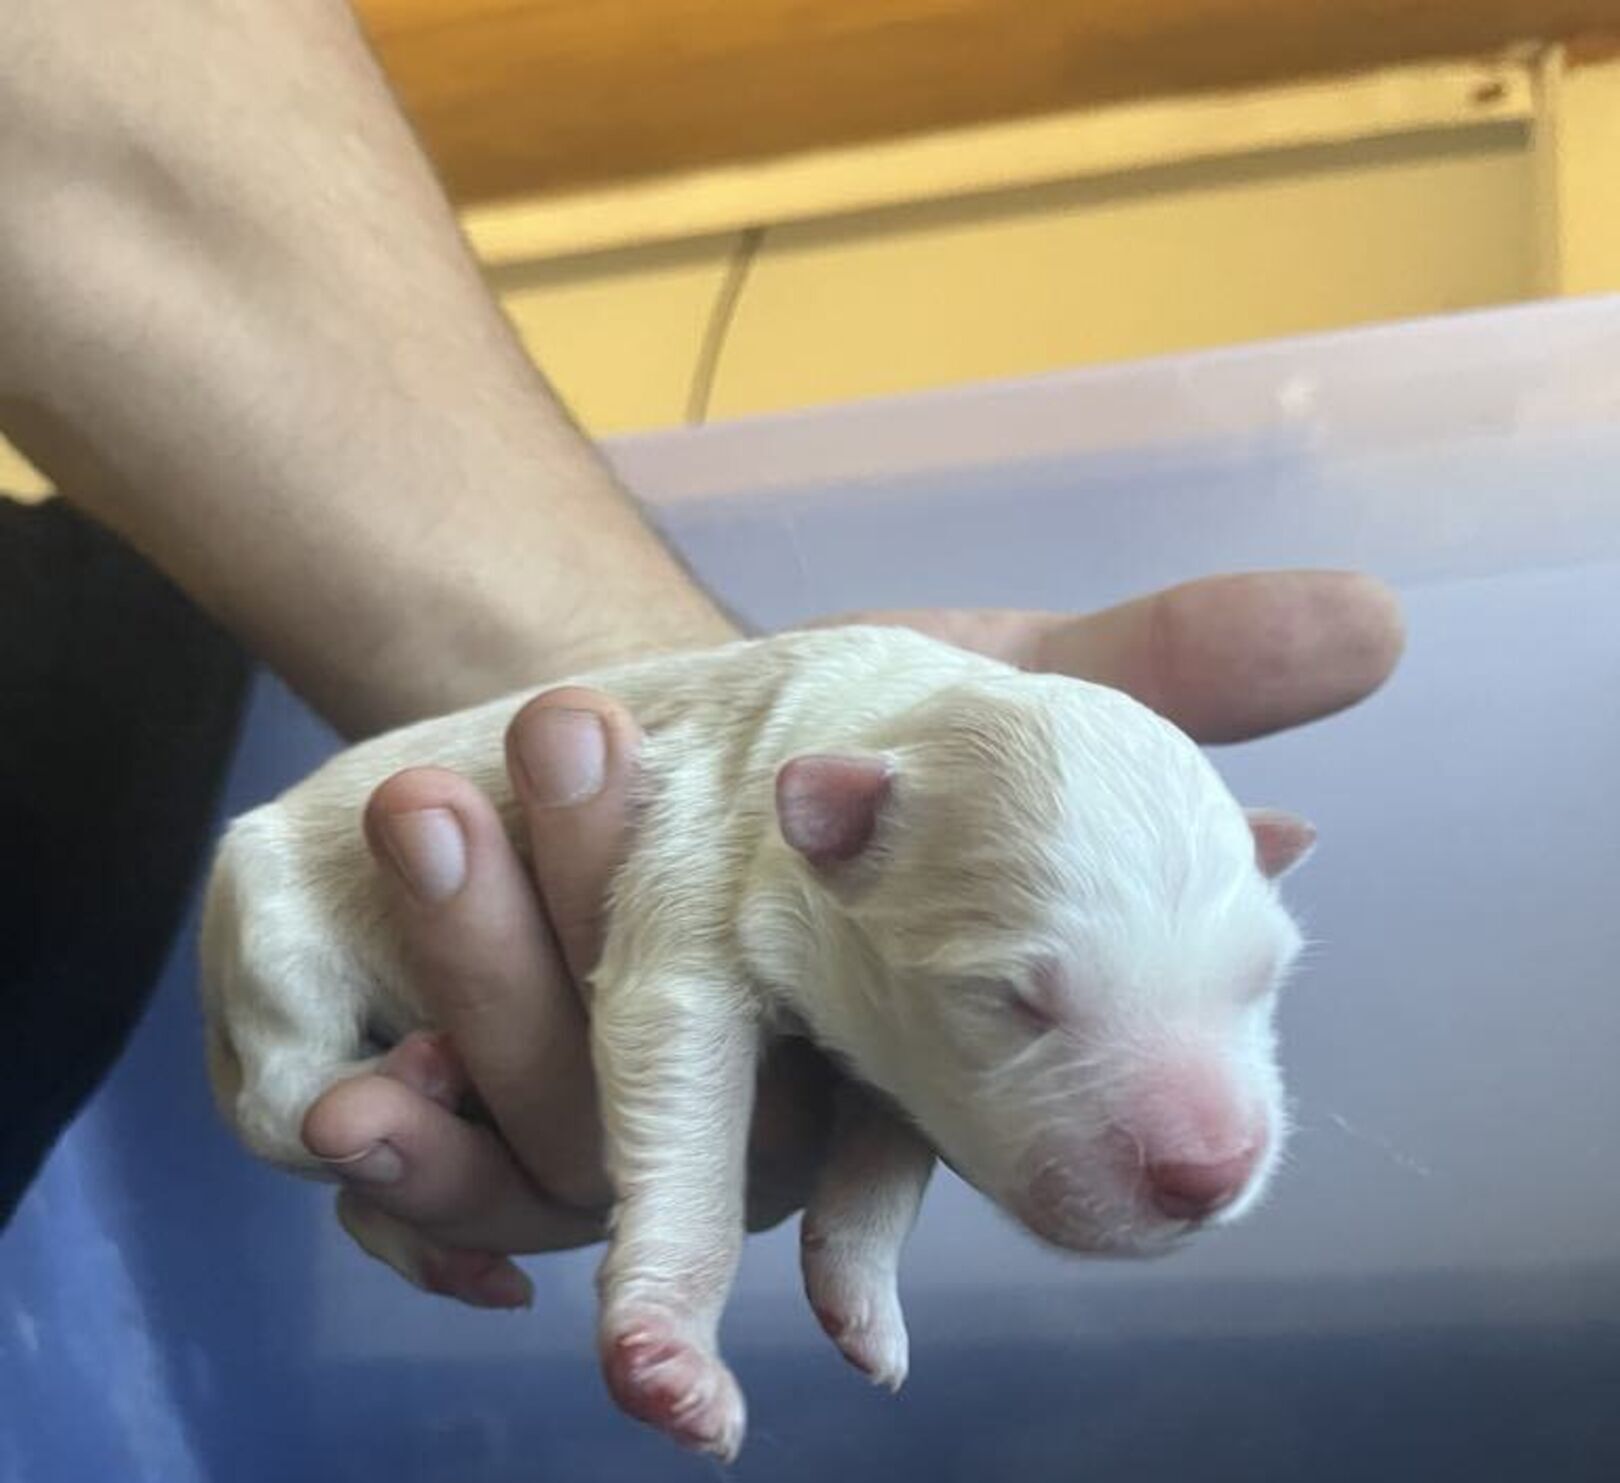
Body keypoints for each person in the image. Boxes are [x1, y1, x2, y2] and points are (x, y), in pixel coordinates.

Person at [0, 0, 1405, 1300]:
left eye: (1253, 979)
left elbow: (109, 163)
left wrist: (624, 709)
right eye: (1024, 999)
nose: (1212, 1143)